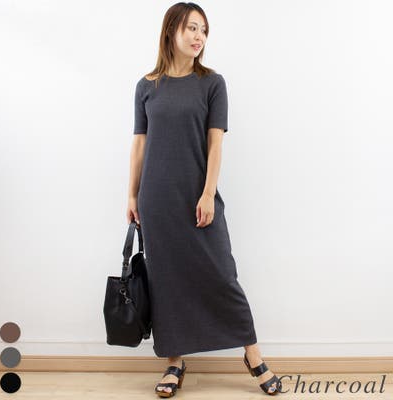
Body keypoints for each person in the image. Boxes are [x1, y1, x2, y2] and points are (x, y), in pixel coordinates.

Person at [127, 2, 282, 397]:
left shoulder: (212, 83)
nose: (199, 37)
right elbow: (140, 144)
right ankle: (174, 362)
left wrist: (209, 192)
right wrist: (131, 193)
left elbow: (215, 144)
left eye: (203, 30)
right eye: (191, 28)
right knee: (166, 280)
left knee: (221, 274)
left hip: (198, 196)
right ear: (171, 31)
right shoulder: (146, 85)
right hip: (156, 199)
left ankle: (252, 354)